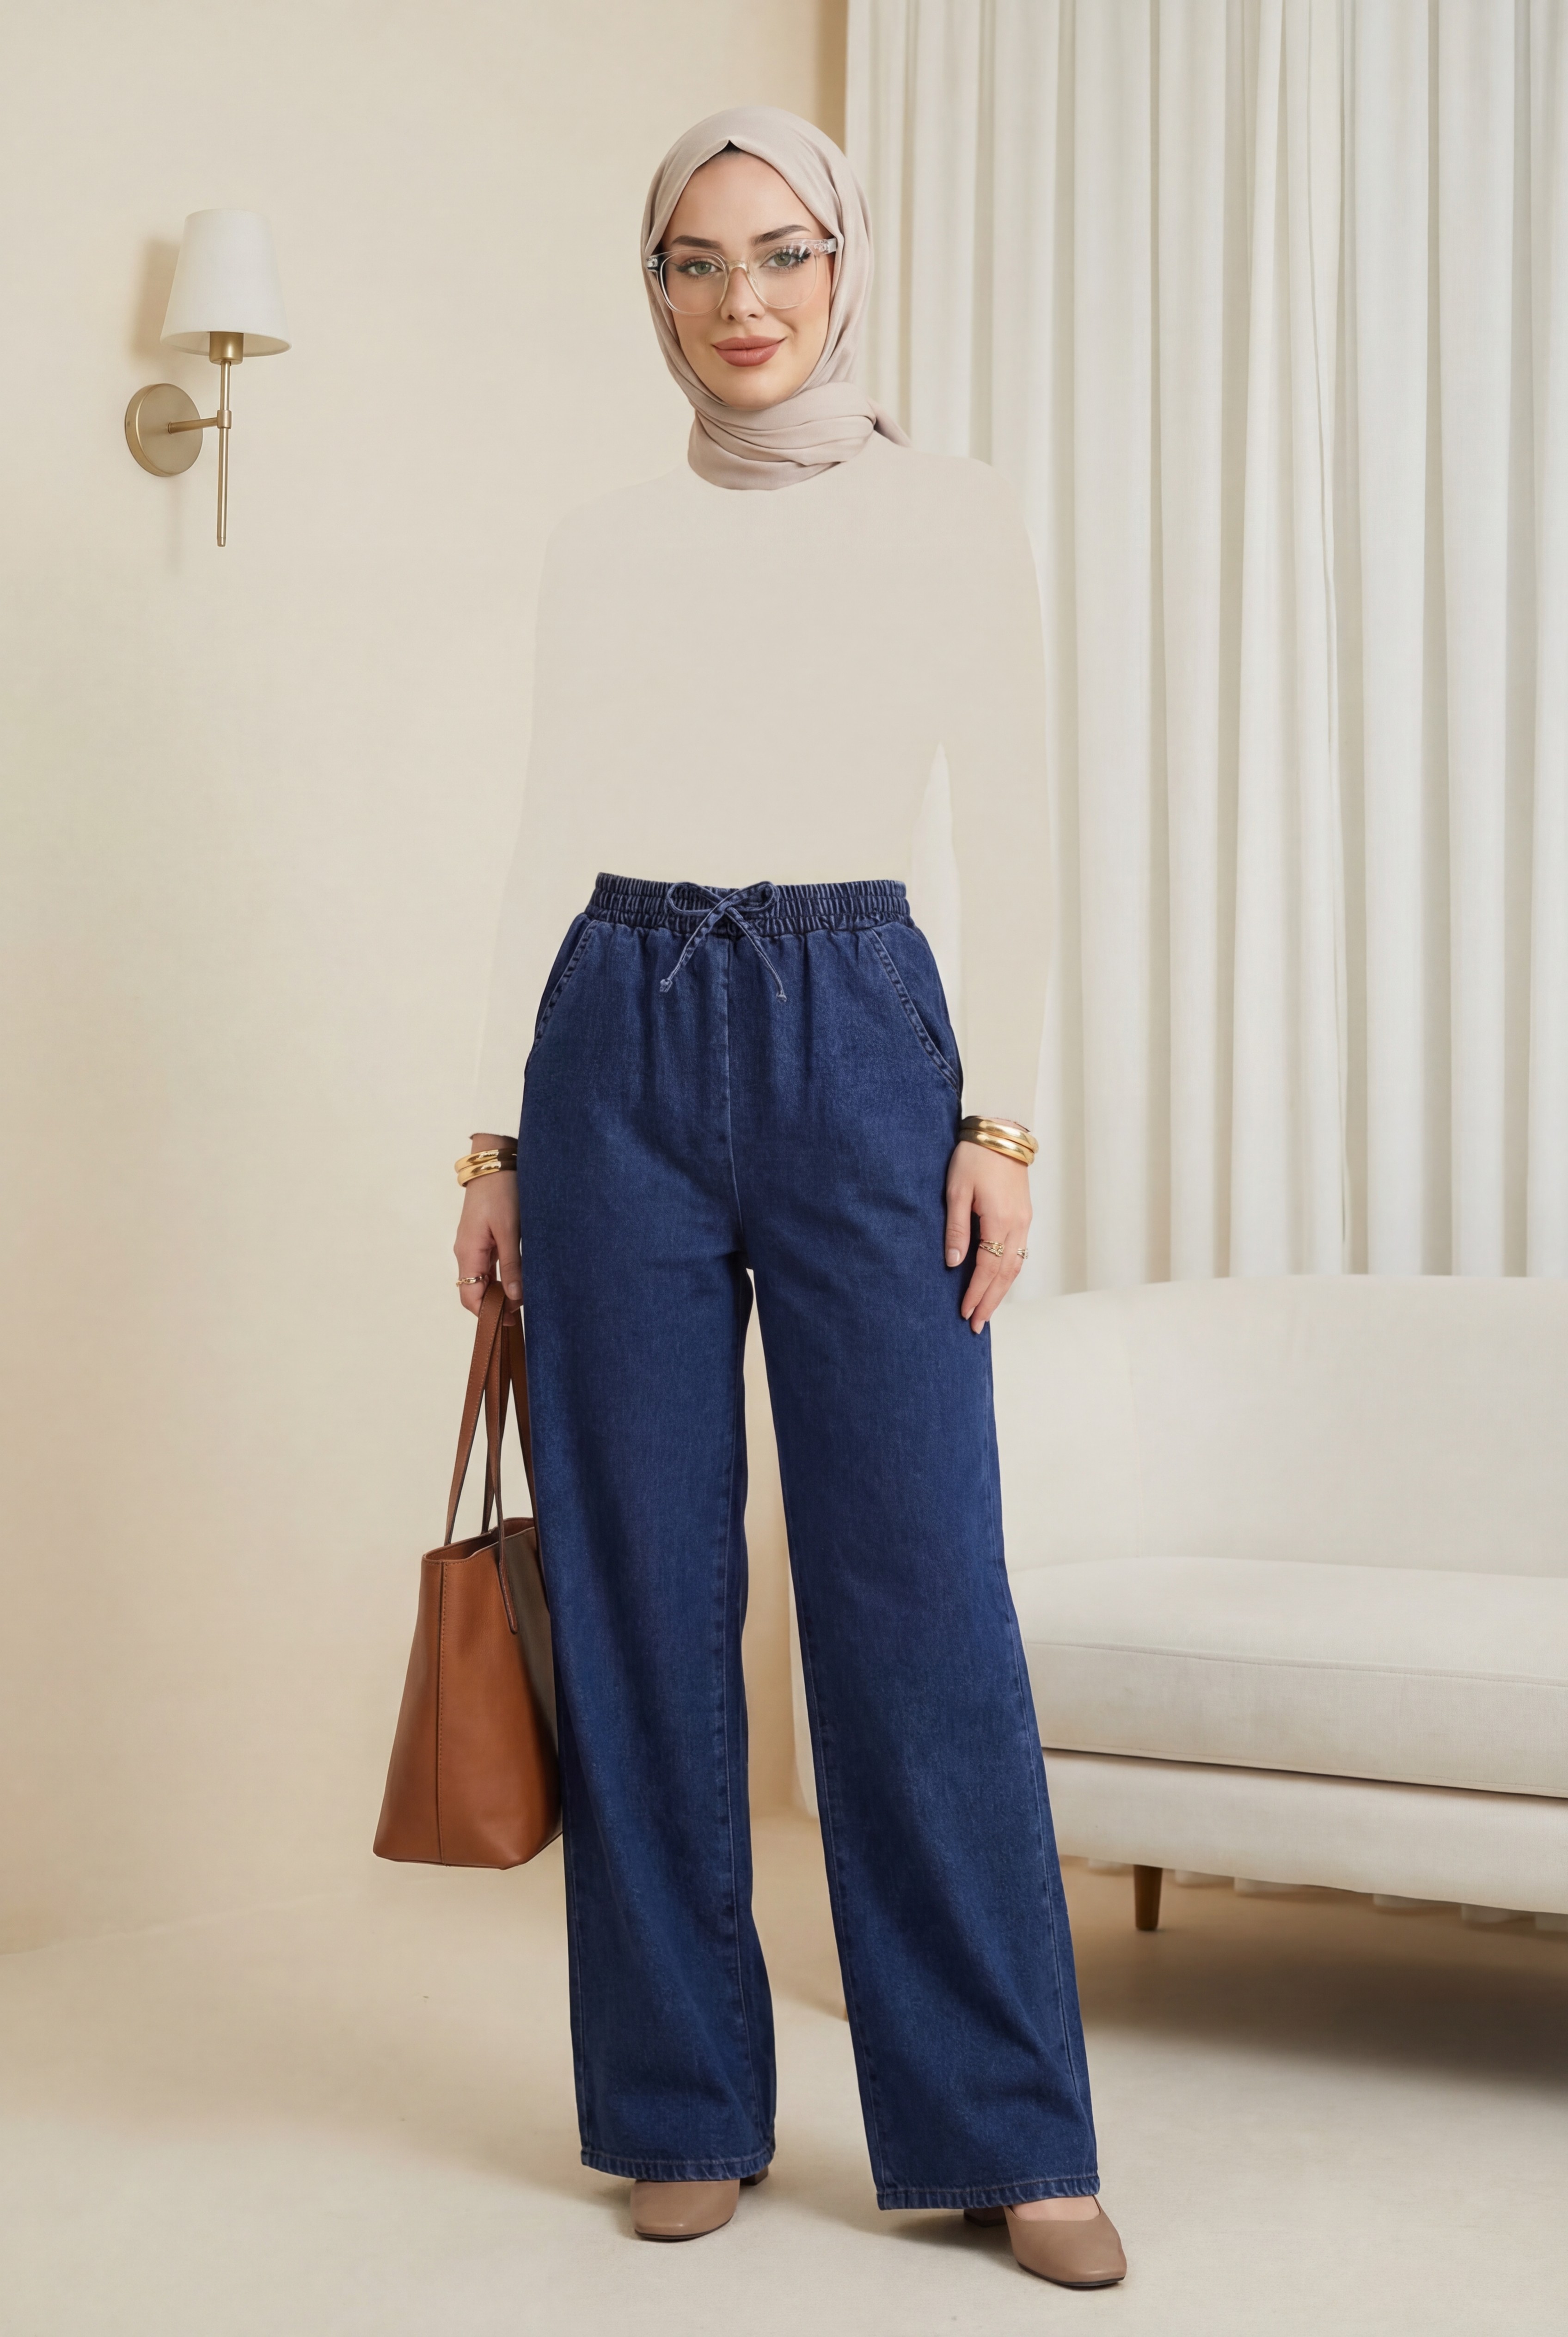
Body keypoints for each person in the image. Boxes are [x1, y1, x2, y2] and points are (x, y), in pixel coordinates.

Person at [454, 106, 1125, 2291]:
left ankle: (1006, 2128)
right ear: (649, 290)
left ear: (843, 265)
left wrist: (1000, 1123)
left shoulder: (949, 513)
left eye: (780, 252)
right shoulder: (603, 541)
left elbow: (1012, 821)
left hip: (858, 1032)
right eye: (693, 261)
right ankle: (676, 2099)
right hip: (614, 1034)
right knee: (641, 1588)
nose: (739, 300)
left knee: (914, 1589)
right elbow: (544, 824)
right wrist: (491, 1139)